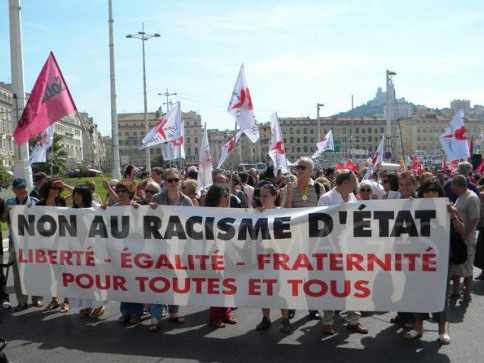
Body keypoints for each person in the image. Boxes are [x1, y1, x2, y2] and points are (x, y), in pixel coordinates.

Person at [318, 170, 368, 335]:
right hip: (332, 248)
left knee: (353, 284)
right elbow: (320, 224)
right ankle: (327, 321)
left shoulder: (353, 197)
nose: (356, 184)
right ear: (346, 182)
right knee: (332, 285)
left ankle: (353, 320)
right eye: (354, 181)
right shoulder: (327, 198)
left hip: (351, 249)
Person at [403, 179, 451, 344]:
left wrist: (452, 214)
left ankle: (442, 330)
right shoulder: (414, 207)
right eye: (426, 197)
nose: (430, 201)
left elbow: (462, 232)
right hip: (418, 259)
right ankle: (418, 327)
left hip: (440, 260)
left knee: (440, 295)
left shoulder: (447, 208)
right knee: (418, 293)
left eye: (434, 198)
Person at [149, 168, 190, 329]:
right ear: (164, 182)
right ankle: (155, 316)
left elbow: (193, 223)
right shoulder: (157, 199)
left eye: (176, 180)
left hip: (179, 248)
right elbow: (146, 219)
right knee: (159, 282)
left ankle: (174, 311)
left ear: (180, 181)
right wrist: (146, 209)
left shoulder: (187, 201)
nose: (173, 183)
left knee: (176, 281)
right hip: (160, 247)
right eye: (170, 180)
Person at [283, 157, 320, 320]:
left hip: (312, 238)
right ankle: (292, 305)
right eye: (297, 167)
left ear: (311, 171)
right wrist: (290, 195)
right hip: (294, 239)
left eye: (303, 167)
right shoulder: (288, 188)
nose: (299, 170)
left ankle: (313, 307)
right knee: (294, 274)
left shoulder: (319, 188)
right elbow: (284, 213)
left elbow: (325, 212)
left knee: (312, 274)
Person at [254, 182, 291, 333]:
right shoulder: (257, 213)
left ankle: (285, 319)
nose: (262, 199)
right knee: (264, 290)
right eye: (260, 196)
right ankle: (266, 318)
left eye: (265, 196)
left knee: (282, 291)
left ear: (274, 196)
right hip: (262, 260)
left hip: (279, 260)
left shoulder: (282, 213)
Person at [2, 178, 39, 311]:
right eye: (18, 188)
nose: (21, 191)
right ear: (13, 190)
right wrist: (8, 211)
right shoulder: (9, 202)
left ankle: (36, 298)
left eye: (23, 188)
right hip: (16, 243)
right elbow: (3, 219)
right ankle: (21, 301)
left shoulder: (35, 202)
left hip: (33, 243)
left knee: (34, 271)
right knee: (18, 274)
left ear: (27, 188)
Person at [205, 184, 236, 328]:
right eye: (225, 195)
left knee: (228, 284)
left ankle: (226, 314)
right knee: (217, 286)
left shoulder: (229, 211)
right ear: (217, 197)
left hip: (228, 252)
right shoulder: (207, 213)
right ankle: (215, 317)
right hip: (214, 253)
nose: (227, 198)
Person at [71, 186, 105, 318]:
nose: (76, 197)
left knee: (95, 279)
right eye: (75, 194)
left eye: (79, 195)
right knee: (82, 279)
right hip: (78, 250)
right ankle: (85, 305)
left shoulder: (95, 207)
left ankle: (99, 304)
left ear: (85, 195)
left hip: (94, 249)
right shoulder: (71, 211)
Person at [114, 181, 145, 326]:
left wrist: (141, 211)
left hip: (136, 253)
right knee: (123, 283)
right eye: (118, 191)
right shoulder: (112, 209)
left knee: (135, 283)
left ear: (130, 193)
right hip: (118, 252)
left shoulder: (138, 207)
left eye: (123, 191)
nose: (120, 194)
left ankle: (136, 313)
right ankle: (125, 312)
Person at [41, 178, 70, 313]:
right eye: (53, 188)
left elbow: (81, 193)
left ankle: (66, 301)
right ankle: (54, 299)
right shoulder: (40, 204)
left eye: (58, 189)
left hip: (61, 243)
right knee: (50, 274)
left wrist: (64, 184)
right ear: (47, 189)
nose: (56, 191)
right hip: (46, 244)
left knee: (63, 273)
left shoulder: (61, 202)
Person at [449, 175, 480, 300]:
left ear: (460, 186)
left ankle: (467, 293)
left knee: (467, 268)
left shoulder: (472, 198)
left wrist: (466, 235)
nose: (452, 189)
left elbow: (475, 219)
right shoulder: (461, 196)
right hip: (458, 237)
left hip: (467, 238)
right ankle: (456, 291)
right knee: (457, 265)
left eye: (453, 186)